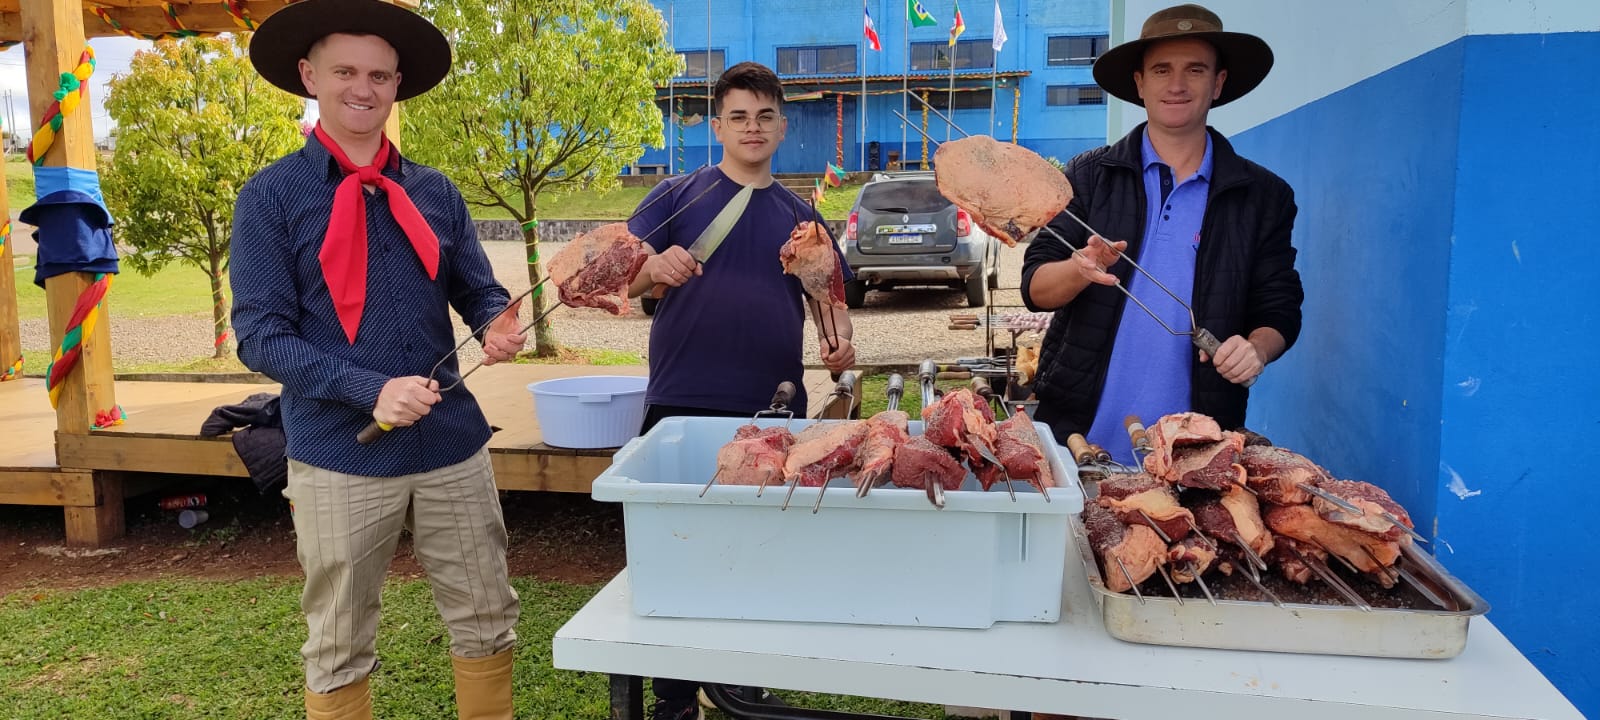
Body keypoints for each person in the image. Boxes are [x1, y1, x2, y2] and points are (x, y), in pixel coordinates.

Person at [230, 2, 523, 718]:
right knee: (339, 639)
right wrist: (370, 389)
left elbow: (477, 288)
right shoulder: (270, 197)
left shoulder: (435, 191)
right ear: (310, 76)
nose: (363, 89)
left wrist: (496, 319)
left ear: (397, 85)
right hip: (340, 451)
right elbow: (260, 336)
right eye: (345, 72)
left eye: (380, 76)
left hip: (451, 441)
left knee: (487, 614)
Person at [624, 61, 855, 720]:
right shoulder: (676, 197)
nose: (752, 128)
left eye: (764, 116)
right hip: (681, 402)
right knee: (676, 553)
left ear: (781, 127)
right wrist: (653, 265)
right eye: (738, 117)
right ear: (718, 127)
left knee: (760, 556)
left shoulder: (804, 219)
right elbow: (619, 279)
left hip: (771, 407)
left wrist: (840, 348)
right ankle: (674, 699)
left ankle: (744, 689)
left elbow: (832, 312)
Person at [1022, 3, 1304, 464]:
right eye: (1161, 70)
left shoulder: (1263, 196)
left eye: (1195, 69)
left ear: (1218, 83)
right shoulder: (1090, 176)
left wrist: (1255, 349)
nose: (1176, 85)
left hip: (1197, 448)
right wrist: (1078, 269)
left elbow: (1280, 306)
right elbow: (1035, 287)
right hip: (1076, 436)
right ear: (1140, 83)